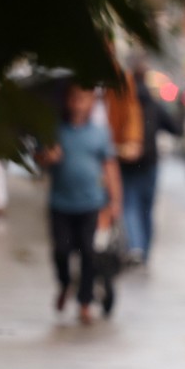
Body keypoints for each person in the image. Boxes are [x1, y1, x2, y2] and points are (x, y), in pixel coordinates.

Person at [35, 83, 121, 324]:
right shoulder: (55, 131)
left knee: (89, 254)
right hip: (60, 203)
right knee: (61, 251)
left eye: (84, 99)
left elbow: (110, 167)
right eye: (74, 98)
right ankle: (64, 284)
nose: (78, 104)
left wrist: (114, 202)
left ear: (93, 102)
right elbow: (39, 159)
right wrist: (47, 157)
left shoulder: (99, 133)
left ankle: (85, 302)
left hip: (91, 203)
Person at [105, 60, 181, 266]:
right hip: (149, 163)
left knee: (130, 203)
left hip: (127, 162)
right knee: (146, 208)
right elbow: (176, 128)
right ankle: (143, 250)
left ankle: (136, 248)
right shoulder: (152, 103)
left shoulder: (122, 102)